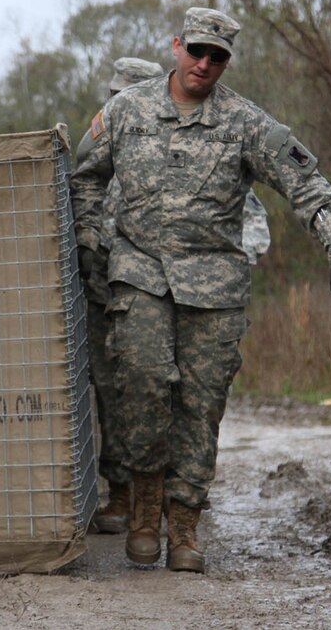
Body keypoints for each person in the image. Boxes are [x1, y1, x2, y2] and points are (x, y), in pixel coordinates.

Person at [70, 7, 331, 573]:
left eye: (217, 56)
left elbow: (302, 181)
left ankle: (184, 527)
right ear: (177, 46)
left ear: (226, 60)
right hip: (139, 274)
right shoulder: (127, 110)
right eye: (197, 51)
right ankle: (143, 512)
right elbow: (85, 176)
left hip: (215, 287)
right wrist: (89, 238)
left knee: (201, 408)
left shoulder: (245, 123)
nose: (204, 64)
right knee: (142, 388)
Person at [79, 58, 273, 536]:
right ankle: (126, 496)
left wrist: (209, 272)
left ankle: (174, 506)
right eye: (113, 92)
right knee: (122, 394)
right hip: (109, 289)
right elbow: (81, 193)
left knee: (188, 400)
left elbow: (250, 224)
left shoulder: (206, 142)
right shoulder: (112, 146)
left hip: (192, 294)